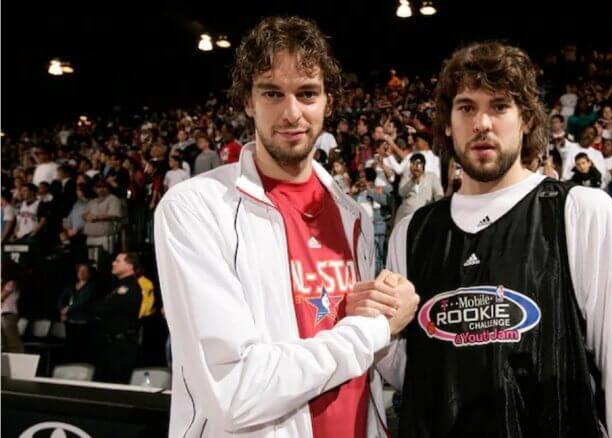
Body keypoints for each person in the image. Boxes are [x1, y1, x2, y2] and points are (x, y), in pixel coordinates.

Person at [367, 41, 612, 437]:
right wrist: (375, 335)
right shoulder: (412, 232)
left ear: (526, 119)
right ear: (448, 122)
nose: (482, 123)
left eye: (500, 106)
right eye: (467, 107)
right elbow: (418, 375)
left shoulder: (583, 213)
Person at [154, 16, 419, 437]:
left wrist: (392, 309)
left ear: (328, 102)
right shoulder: (195, 209)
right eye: (272, 93)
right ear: (247, 100)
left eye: (307, 93)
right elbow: (235, 395)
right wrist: (375, 327)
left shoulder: (355, 216)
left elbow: (367, 357)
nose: (291, 112)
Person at [93, 253, 142, 383]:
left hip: (121, 347)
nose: (113, 263)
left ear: (130, 266)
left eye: (118, 261)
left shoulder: (129, 288)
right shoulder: (117, 286)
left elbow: (105, 307)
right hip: (111, 345)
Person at [58, 263, 95, 362]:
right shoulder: (71, 286)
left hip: (83, 321)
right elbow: (62, 298)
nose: (82, 273)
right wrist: (62, 311)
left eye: (85, 271)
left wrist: (68, 309)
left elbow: (81, 301)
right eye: (80, 271)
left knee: (81, 347)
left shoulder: (90, 287)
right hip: (70, 321)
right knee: (70, 346)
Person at [394, 153, 444, 225]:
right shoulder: (407, 177)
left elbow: (439, 194)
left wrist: (435, 206)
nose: (415, 166)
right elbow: (401, 193)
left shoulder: (431, 176)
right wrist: (413, 179)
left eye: (418, 163)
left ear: (423, 165)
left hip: (424, 212)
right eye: (413, 163)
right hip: (406, 212)